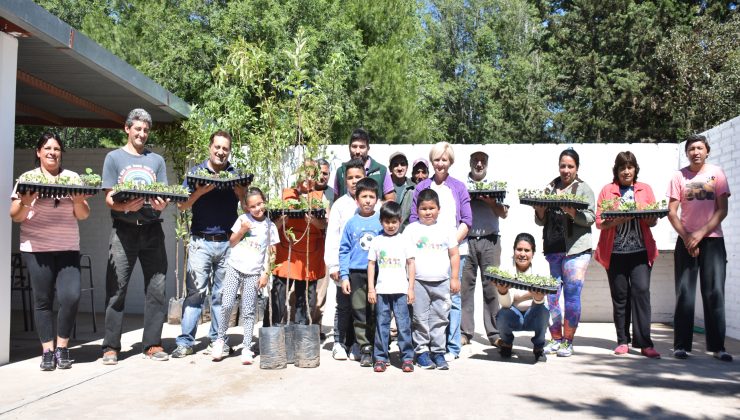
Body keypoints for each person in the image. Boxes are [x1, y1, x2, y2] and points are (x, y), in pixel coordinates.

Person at [10, 132, 91, 371]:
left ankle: (63, 347)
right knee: (43, 300)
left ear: (61, 153)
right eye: (47, 148)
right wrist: (26, 201)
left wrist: (77, 201)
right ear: (38, 152)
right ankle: (47, 351)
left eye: (56, 148)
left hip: (67, 247)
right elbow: (15, 216)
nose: (52, 152)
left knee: (71, 296)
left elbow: (84, 214)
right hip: (37, 249)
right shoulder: (28, 178)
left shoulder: (72, 178)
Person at [101, 108, 170, 364]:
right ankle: (110, 347)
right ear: (127, 129)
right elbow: (109, 198)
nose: (142, 134)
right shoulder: (114, 158)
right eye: (137, 129)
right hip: (124, 231)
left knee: (156, 289)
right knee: (116, 289)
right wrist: (124, 207)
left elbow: (162, 196)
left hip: (153, 230)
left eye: (145, 130)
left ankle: (152, 344)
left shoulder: (157, 161)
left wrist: (163, 204)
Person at [172, 130, 246, 359]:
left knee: (222, 296)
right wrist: (200, 192)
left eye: (225, 148)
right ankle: (185, 342)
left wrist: (241, 193)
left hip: (227, 243)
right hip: (200, 242)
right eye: (218, 147)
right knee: (195, 295)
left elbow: (246, 207)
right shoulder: (196, 173)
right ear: (210, 147)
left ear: (229, 151)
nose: (221, 152)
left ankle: (218, 340)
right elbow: (181, 206)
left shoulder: (235, 175)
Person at [667, 134, 732, 362]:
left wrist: (700, 234)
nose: (696, 152)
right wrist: (687, 238)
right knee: (684, 294)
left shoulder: (717, 174)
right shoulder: (679, 176)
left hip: (713, 240)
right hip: (686, 242)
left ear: (707, 151)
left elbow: (722, 210)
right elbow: (672, 212)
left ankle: (718, 347)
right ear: (687, 152)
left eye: (700, 148)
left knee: (714, 293)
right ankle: (681, 346)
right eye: (692, 148)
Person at [595, 152, 661, 359]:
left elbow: (653, 221)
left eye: (630, 167)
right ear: (616, 170)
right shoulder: (608, 191)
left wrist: (649, 217)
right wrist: (620, 219)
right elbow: (599, 222)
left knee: (641, 293)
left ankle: (644, 343)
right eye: (622, 167)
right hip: (615, 253)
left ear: (635, 169)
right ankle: (622, 341)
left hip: (641, 252)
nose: (626, 171)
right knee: (620, 297)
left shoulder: (645, 189)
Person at [410, 142, 472, 361]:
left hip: (454, 248)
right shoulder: (422, 187)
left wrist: (449, 243)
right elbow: (413, 218)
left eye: (444, 160)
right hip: (426, 251)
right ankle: (424, 347)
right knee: (424, 302)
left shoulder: (458, 187)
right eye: (436, 159)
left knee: (452, 299)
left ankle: (451, 347)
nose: (440, 164)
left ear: (450, 162)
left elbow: (467, 220)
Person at [533, 148, 595, 358]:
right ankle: (556, 338)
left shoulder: (584, 189)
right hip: (553, 248)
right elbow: (540, 220)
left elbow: (590, 218)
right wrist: (539, 210)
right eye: (563, 165)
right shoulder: (550, 188)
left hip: (576, 249)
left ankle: (568, 341)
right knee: (552, 296)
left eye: (570, 166)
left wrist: (572, 211)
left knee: (571, 295)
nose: (566, 170)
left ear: (577, 168)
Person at [212, 187, 279, 364]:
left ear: (264, 201)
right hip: (234, 268)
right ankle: (220, 340)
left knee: (249, 311)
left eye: (260, 203)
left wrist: (266, 273)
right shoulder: (243, 219)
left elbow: (272, 253)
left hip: (253, 273)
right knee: (226, 305)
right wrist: (242, 230)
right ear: (247, 208)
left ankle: (247, 347)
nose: (257, 208)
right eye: (252, 206)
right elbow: (231, 243)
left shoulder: (270, 226)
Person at [267, 161, 328, 327]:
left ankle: (302, 335)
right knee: (279, 292)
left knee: (306, 298)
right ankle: (273, 330)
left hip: (309, 255)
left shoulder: (320, 198)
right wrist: (280, 222)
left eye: (311, 175)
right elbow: (272, 225)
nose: (307, 179)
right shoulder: (285, 195)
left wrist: (315, 222)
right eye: (304, 174)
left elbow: (325, 225)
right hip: (286, 254)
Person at [406, 189, 460, 370]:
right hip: (419, 283)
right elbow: (408, 259)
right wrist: (410, 285)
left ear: (439, 209)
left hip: (442, 282)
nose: (428, 212)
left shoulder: (446, 229)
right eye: (423, 208)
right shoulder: (411, 230)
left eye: (431, 208)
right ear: (417, 209)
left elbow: (454, 255)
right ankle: (421, 352)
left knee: (440, 318)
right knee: (420, 318)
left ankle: (438, 352)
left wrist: (454, 278)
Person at [462, 150, 508, 347]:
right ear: (470, 162)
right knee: (465, 288)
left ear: (487, 164)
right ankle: (465, 332)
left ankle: (494, 332)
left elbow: (504, 213)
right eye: (476, 161)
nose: (479, 164)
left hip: (490, 240)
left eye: (483, 161)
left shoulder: (496, 185)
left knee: (491, 288)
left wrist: (490, 201)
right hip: (467, 240)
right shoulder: (461, 186)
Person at [325, 159, 368, 360]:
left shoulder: (371, 204)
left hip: (365, 267)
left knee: (362, 307)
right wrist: (333, 265)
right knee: (343, 305)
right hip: (344, 267)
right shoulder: (340, 205)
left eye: (358, 177)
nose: (353, 181)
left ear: (365, 177)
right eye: (349, 177)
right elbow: (333, 236)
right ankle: (339, 342)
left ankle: (358, 344)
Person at [367, 201, 416, 373]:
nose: (390, 225)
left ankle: (407, 357)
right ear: (381, 221)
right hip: (382, 291)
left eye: (394, 221)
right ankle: (380, 357)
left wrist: (411, 288)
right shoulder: (377, 241)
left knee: (403, 324)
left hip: (401, 291)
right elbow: (371, 264)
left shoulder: (404, 240)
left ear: (400, 221)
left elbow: (411, 263)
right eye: (387, 222)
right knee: (382, 324)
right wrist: (371, 289)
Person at [339, 178, 382, 367]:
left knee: (376, 311)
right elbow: (344, 250)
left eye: (371, 197)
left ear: (377, 199)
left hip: (378, 274)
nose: (367, 200)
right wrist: (344, 275)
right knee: (359, 312)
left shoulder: (382, 221)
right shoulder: (351, 223)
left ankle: (377, 347)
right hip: (356, 274)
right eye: (363, 196)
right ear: (356, 199)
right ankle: (363, 347)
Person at [495, 233, 550, 362]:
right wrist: (505, 292)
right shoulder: (505, 266)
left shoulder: (542, 266)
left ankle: (538, 348)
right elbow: (507, 304)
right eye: (519, 249)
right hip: (513, 313)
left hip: (534, 313)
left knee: (543, 311)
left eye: (527, 250)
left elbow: (540, 297)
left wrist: (520, 296)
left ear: (533, 253)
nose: (522, 254)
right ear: (514, 250)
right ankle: (507, 343)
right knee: (502, 314)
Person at [333, 128, 395, 201]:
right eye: (354, 146)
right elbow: (336, 200)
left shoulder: (381, 170)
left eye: (362, 147)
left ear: (368, 148)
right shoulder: (341, 171)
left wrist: (375, 207)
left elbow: (391, 200)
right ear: (349, 148)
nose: (357, 151)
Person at [312, 158, 334, 337]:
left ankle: (316, 326)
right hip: (305, 246)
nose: (321, 176)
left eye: (325, 173)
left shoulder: (334, 194)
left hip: (326, 245)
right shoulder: (304, 193)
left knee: (322, 288)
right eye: (318, 172)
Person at [388, 152, 415, 228]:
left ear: (407, 167)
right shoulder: (384, 187)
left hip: (406, 234)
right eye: (395, 165)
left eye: (402, 164)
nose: (400, 168)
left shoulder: (414, 188)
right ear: (390, 168)